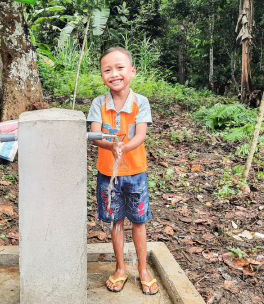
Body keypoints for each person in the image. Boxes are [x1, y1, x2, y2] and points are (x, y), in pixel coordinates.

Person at [87, 47, 158, 295]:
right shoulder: (99, 103)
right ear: (102, 74)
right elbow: (96, 136)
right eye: (107, 70)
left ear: (132, 71)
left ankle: (143, 269)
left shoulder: (141, 102)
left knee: (139, 222)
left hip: (136, 173)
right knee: (116, 221)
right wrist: (111, 145)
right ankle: (120, 268)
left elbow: (140, 135)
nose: (114, 74)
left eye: (120, 68)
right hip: (108, 174)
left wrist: (123, 147)